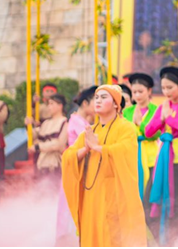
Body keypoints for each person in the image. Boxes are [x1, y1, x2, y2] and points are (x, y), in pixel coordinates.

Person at [61, 85, 147, 246]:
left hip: (114, 196)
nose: (98, 101)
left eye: (104, 97)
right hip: (91, 197)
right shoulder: (89, 131)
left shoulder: (125, 128)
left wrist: (98, 148)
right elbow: (68, 157)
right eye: (97, 97)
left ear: (116, 104)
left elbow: (126, 151)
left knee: (113, 237)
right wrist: (85, 149)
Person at [144, 67, 178, 245]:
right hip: (164, 159)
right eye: (163, 88)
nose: (166, 92)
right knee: (151, 200)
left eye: (170, 87)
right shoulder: (163, 106)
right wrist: (162, 118)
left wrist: (169, 119)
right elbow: (149, 131)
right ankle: (163, 240)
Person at [56, 86, 97, 246]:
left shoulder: (83, 121)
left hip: (81, 169)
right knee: (71, 209)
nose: (98, 105)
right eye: (96, 101)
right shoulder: (76, 122)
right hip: (75, 170)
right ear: (85, 103)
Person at [122, 73, 160, 203]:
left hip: (150, 157)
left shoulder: (156, 110)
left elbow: (156, 134)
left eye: (140, 91)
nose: (137, 95)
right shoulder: (127, 111)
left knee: (148, 192)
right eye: (134, 92)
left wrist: (140, 124)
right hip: (131, 157)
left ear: (149, 91)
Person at [25, 94, 68, 178]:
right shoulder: (46, 123)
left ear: (60, 106)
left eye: (52, 104)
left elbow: (59, 144)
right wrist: (28, 125)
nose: (49, 106)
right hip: (41, 162)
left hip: (55, 163)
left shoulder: (65, 122)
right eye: (48, 104)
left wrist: (38, 147)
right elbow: (34, 136)